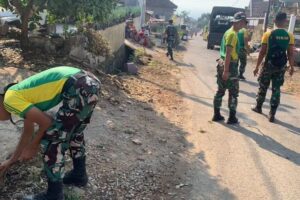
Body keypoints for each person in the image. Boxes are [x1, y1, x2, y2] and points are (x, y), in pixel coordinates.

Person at [0, 66, 101, 200]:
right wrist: (11, 160)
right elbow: (28, 132)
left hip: (79, 86)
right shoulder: (18, 94)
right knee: (74, 134)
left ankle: (54, 195)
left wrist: (33, 147)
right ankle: (79, 175)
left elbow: (47, 122)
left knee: (54, 138)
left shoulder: (9, 100)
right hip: (89, 83)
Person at [252, 12, 294, 122]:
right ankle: (272, 114)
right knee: (276, 89)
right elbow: (290, 53)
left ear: (274, 21)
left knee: (263, 86)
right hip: (280, 67)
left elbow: (262, 52)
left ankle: (258, 107)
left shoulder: (268, 34)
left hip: (268, 65)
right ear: (285, 22)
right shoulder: (289, 36)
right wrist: (291, 66)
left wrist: (256, 67)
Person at [212, 12, 246, 124]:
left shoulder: (228, 32)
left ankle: (216, 114)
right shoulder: (232, 34)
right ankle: (232, 117)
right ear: (238, 22)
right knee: (233, 92)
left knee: (220, 91)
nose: (244, 24)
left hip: (222, 63)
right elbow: (228, 53)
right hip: (230, 65)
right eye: (243, 22)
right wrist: (226, 71)